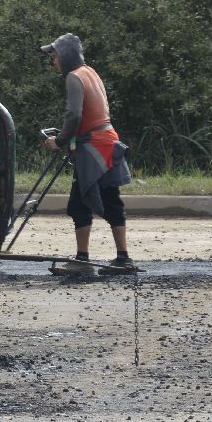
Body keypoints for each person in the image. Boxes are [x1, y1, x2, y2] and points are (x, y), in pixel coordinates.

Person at [41, 32, 136, 274]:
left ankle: (82, 261)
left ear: (65, 56)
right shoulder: (91, 73)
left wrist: (60, 140)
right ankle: (123, 259)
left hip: (93, 148)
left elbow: (74, 114)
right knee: (112, 200)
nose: (52, 61)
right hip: (108, 142)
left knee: (78, 203)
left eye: (54, 56)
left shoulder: (73, 77)